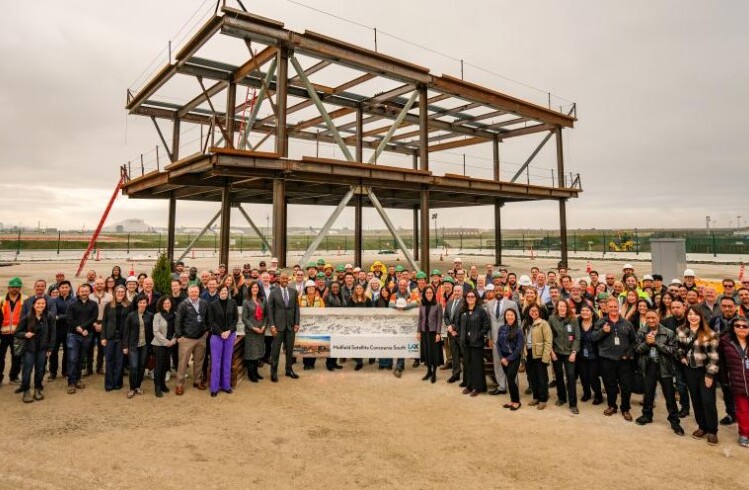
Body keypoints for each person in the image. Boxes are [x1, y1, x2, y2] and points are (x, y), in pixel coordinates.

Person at [634, 309, 685, 435]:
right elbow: (637, 350)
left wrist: (656, 343)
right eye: (648, 318)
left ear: (658, 318)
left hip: (664, 367)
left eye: (653, 318)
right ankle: (647, 416)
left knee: (670, 396)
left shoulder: (668, 332)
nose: (651, 320)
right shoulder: (641, 331)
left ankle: (674, 421)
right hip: (648, 366)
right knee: (648, 393)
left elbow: (673, 351)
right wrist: (647, 343)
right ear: (645, 318)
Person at [677, 306, 720, 445]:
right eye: (690, 314)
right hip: (690, 370)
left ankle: (712, 431)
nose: (692, 317)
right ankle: (702, 427)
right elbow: (678, 347)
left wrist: (710, 374)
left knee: (708, 401)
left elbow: (714, 358)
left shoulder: (709, 334)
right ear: (687, 316)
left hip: (705, 371)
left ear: (701, 317)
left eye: (696, 314)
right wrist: (681, 356)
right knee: (695, 399)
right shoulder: (681, 331)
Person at [592, 297, 638, 421]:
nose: (613, 309)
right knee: (610, 384)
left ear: (618, 307)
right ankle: (612, 406)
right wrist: (603, 331)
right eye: (610, 307)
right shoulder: (601, 322)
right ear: (606, 308)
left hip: (624, 360)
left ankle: (625, 408)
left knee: (626, 386)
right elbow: (593, 337)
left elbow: (634, 341)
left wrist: (628, 353)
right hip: (607, 359)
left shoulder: (627, 323)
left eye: (615, 307)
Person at [15, 297, 55, 403]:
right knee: (27, 371)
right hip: (29, 349)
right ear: (33, 305)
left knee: (40, 370)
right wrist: (25, 334)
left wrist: (50, 348)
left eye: (43, 303)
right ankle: (26, 391)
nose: (40, 305)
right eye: (38, 303)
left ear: (45, 305)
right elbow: (17, 332)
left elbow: (52, 333)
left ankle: (37, 389)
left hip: (42, 349)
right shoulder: (27, 317)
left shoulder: (49, 316)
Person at [719, 317, 749, 447]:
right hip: (737, 382)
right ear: (733, 327)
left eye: (745, 326)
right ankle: (744, 434)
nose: (741, 328)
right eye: (738, 325)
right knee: (742, 410)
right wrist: (725, 380)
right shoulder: (725, 342)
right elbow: (722, 363)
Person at [174, 285, 209, 395]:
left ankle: (197, 381)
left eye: (196, 292)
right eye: (192, 292)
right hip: (187, 339)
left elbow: (207, 318)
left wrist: (206, 331)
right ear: (188, 293)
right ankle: (179, 385)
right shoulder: (183, 305)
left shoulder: (204, 303)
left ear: (199, 292)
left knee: (199, 361)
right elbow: (178, 321)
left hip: (201, 337)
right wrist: (179, 336)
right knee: (183, 363)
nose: (194, 294)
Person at [65, 284, 98, 394]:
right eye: (82, 291)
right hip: (73, 335)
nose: (84, 293)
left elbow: (93, 317)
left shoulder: (93, 304)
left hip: (87, 335)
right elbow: (69, 318)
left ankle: (78, 379)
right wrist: (78, 328)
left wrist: (84, 328)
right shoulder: (72, 304)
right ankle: (71, 382)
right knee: (72, 359)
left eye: (86, 291)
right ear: (78, 292)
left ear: (89, 292)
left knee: (81, 358)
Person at [267, 272, 300, 382]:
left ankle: (289, 370)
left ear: (288, 280)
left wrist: (296, 323)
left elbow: (296, 309)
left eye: (286, 278)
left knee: (290, 350)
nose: (285, 280)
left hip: (290, 326)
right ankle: (274, 372)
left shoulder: (293, 292)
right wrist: (272, 325)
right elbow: (270, 310)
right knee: (275, 351)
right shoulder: (273, 292)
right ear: (279, 279)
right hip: (277, 327)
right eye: (283, 278)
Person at [549, 300, 581, 414]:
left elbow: (577, 337)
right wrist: (551, 352)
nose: (562, 308)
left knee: (571, 377)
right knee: (558, 376)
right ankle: (561, 397)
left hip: (569, 353)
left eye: (564, 306)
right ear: (557, 307)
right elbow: (549, 336)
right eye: (560, 306)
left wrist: (574, 352)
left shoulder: (573, 319)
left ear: (567, 308)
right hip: (557, 352)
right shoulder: (552, 319)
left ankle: (573, 404)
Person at [207, 285, 238, 397]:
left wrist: (229, 331)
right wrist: (221, 332)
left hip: (229, 336)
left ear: (228, 292)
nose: (224, 292)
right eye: (222, 291)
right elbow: (211, 321)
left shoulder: (232, 303)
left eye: (225, 290)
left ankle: (226, 386)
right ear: (218, 292)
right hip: (216, 336)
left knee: (227, 361)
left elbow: (235, 319)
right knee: (216, 362)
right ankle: (214, 388)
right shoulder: (213, 305)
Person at [459, 290, 490, 397]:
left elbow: (486, 325)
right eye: (468, 296)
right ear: (466, 298)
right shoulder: (463, 310)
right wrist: (460, 335)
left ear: (476, 298)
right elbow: (458, 324)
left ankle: (478, 387)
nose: (470, 298)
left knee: (477, 366)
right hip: (465, 343)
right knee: (467, 365)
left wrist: (478, 335)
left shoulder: (481, 311)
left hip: (477, 343)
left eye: (472, 296)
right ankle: (469, 385)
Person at [122, 296, 153, 399]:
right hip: (133, 345)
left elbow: (152, 332)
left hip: (145, 345)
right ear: (137, 303)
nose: (142, 304)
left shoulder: (150, 315)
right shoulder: (131, 316)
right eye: (140, 302)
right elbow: (125, 332)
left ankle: (138, 386)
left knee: (142, 366)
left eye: (144, 302)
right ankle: (132, 388)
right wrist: (125, 346)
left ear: (147, 304)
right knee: (134, 367)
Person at [525, 304, 553, 409]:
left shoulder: (543, 324)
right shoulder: (527, 324)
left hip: (540, 354)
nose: (534, 312)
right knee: (532, 377)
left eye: (536, 311)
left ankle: (543, 399)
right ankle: (535, 397)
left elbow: (548, 341)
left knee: (542, 378)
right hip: (529, 353)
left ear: (539, 311)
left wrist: (545, 358)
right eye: (531, 310)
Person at [101, 286, 129, 391]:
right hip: (110, 337)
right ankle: (109, 384)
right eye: (118, 291)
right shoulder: (108, 306)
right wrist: (103, 337)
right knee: (109, 360)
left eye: (122, 292)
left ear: (125, 293)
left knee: (119, 361)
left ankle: (118, 383)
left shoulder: (128, 306)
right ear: (115, 293)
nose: (120, 293)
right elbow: (104, 322)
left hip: (122, 337)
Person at [497, 309, 524, 410]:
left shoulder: (518, 330)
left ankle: (517, 401)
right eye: (507, 315)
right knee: (510, 380)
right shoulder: (501, 328)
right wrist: (501, 358)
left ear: (515, 317)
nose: (509, 317)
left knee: (510, 378)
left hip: (514, 358)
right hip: (503, 358)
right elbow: (498, 344)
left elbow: (519, 348)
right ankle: (512, 401)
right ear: (505, 317)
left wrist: (508, 359)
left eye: (512, 315)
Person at [242, 282, 268, 382]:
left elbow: (266, 315)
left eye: (256, 287)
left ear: (259, 289)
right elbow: (244, 318)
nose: (255, 289)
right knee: (251, 353)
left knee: (258, 352)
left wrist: (264, 326)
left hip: (261, 330)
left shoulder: (263, 300)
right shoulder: (246, 301)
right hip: (251, 331)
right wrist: (253, 327)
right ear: (250, 289)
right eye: (253, 287)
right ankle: (251, 373)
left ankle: (256, 372)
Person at [577, 304, 603, 405]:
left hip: (594, 356)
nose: (585, 312)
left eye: (587, 311)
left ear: (592, 313)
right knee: (583, 376)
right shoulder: (578, 323)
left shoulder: (597, 324)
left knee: (593, 377)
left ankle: (598, 395)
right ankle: (587, 393)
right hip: (581, 355)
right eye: (583, 310)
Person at [50, 280, 75, 381]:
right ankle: (53, 372)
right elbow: (52, 315)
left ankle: (65, 371)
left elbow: (72, 315)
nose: (64, 289)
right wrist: (62, 317)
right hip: (56, 330)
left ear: (69, 288)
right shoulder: (54, 301)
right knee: (53, 352)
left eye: (66, 287)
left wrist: (59, 317)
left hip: (69, 330)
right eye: (62, 287)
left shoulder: (74, 300)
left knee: (67, 352)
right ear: (59, 289)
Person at [152, 296, 177, 397]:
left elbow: (177, 329)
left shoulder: (175, 315)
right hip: (159, 344)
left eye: (168, 303)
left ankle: (163, 384)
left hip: (170, 344)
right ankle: (157, 387)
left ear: (171, 304)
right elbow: (156, 331)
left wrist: (174, 340)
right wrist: (166, 342)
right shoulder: (157, 316)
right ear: (161, 304)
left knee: (165, 366)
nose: (167, 305)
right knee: (158, 367)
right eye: (164, 303)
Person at [418, 286, 443, 383]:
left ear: (433, 294)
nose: (428, 294)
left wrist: (438, 333)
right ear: (424, 294)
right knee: (426, 352)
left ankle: (434, 373)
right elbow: (420, 319)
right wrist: (418, 331)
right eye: (427, 293)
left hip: (433, 333)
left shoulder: (438, 305)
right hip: (424, 332)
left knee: (434, 353)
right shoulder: (422, 305)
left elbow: (439, 320)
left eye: (430, 293)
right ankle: (428, 371)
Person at [299, 280, 326, 370]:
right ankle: (306, 364)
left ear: (315, 289)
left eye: (313, 287)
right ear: (306, 289)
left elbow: (323, 312)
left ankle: (312, 363)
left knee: (315, 343)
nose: (311, 289)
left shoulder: (319, 299)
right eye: (309, 287)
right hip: (304, 326)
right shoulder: (300, 299)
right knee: (305, 344)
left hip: (316, 326)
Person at [349, 283, 372, 371]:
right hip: (355, 325)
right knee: (357, 344)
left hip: (366, 325)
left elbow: (371, 311)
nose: (359, 290)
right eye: (357, 288)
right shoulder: (351, 299)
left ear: (363, 290)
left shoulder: (368, 299)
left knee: (366, 342)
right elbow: (348, 312)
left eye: (360, 288)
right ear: (355, 290)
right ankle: (359, 362)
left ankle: (370, 357)